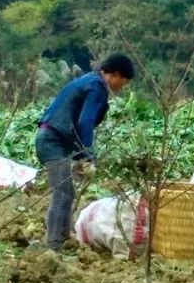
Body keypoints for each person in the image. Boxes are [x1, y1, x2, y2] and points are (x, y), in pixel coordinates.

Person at [35, 53, 136, 253]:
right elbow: (85, 121)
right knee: (62, 193)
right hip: (52, 141)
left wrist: (81, 155)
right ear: (115, 75)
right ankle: (53, 246)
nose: (121, 88)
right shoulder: (97, 86)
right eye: (123, 83)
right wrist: (88, 155)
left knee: (68, 192)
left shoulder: (88, 80)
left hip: (53, 138)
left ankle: (63, 239)